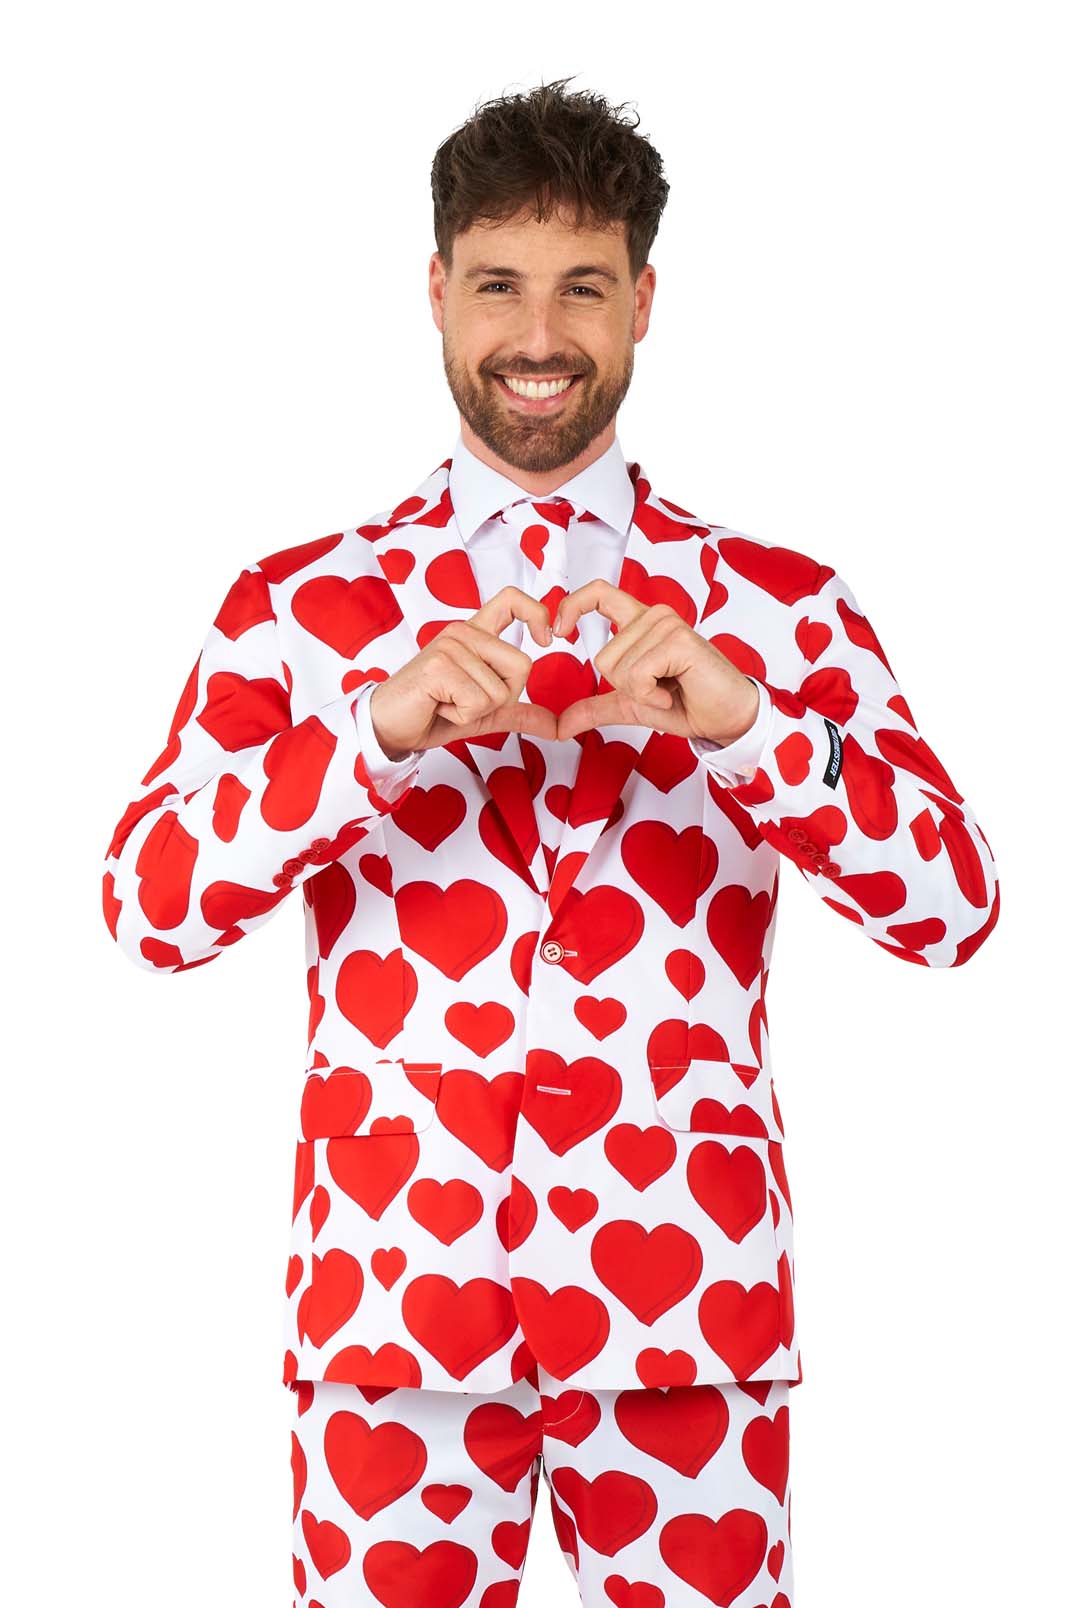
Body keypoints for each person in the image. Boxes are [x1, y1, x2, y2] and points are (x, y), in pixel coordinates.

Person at [102, 75, 1000, 1608]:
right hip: (392, 1312)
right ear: (435, 293)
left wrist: (748, 726)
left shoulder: (780, 604)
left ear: (645, 303)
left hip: (688, 1315)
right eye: (500, 285)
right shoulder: (301, 606)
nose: (538, 335)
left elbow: (953, 904)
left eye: (583, 287)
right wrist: (369, 737)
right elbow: (149, 903)